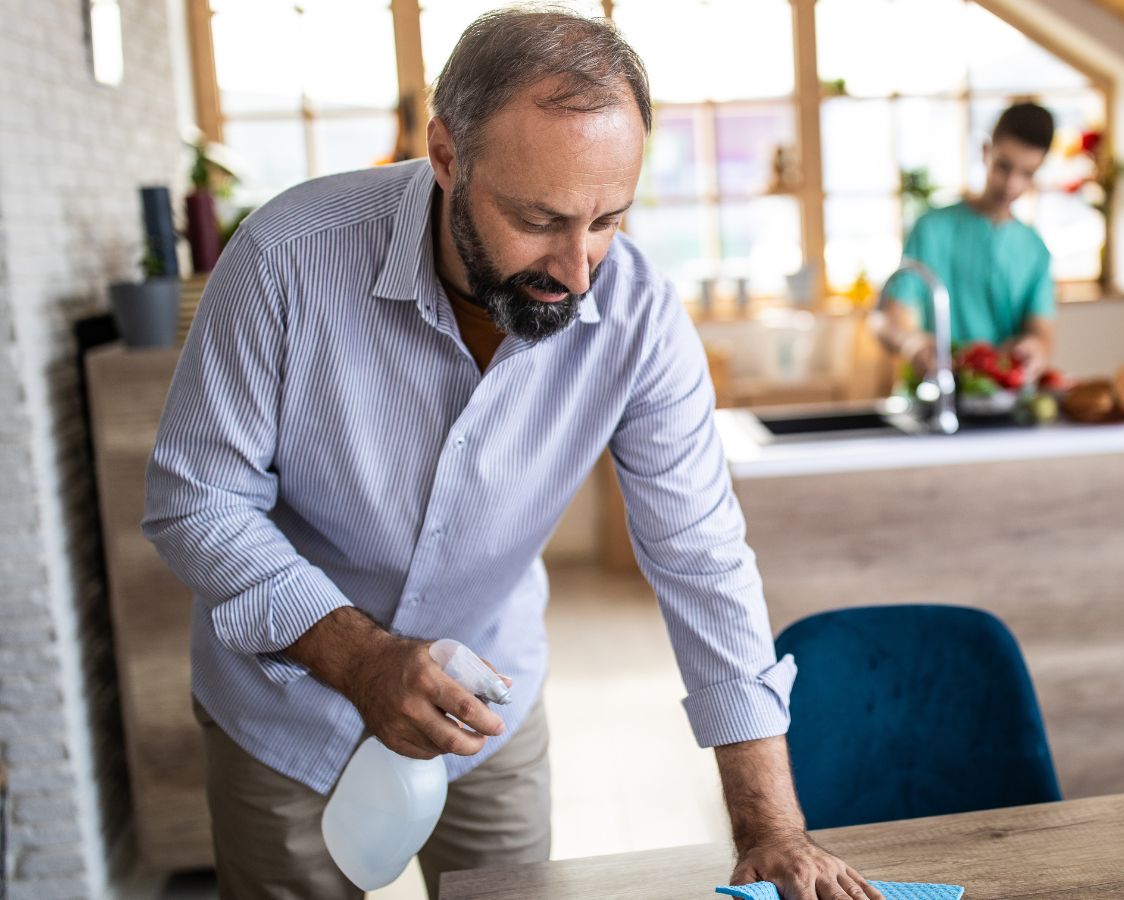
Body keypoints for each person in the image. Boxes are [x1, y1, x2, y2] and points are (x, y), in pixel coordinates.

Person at [143, 9, 883, 900]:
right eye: (539, 219)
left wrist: (770, 830)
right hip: (286, 706)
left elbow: (702, 557)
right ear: (448, 157)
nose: (576, 270)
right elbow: (197, 500)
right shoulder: (284, 258)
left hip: (485, 702)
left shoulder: (640, 316)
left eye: (608, 219)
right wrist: (360, 658)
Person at [876, 102, 1058, 382]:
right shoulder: (931, 229)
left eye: (1026, 173)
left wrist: (1036, 347)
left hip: (1003, 400)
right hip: (935, 393)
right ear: (987, 152)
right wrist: (913, 342)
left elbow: (1041, 331)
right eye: (1004, 166)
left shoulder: (1035, 251)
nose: (1011, 184)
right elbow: (890, 319)